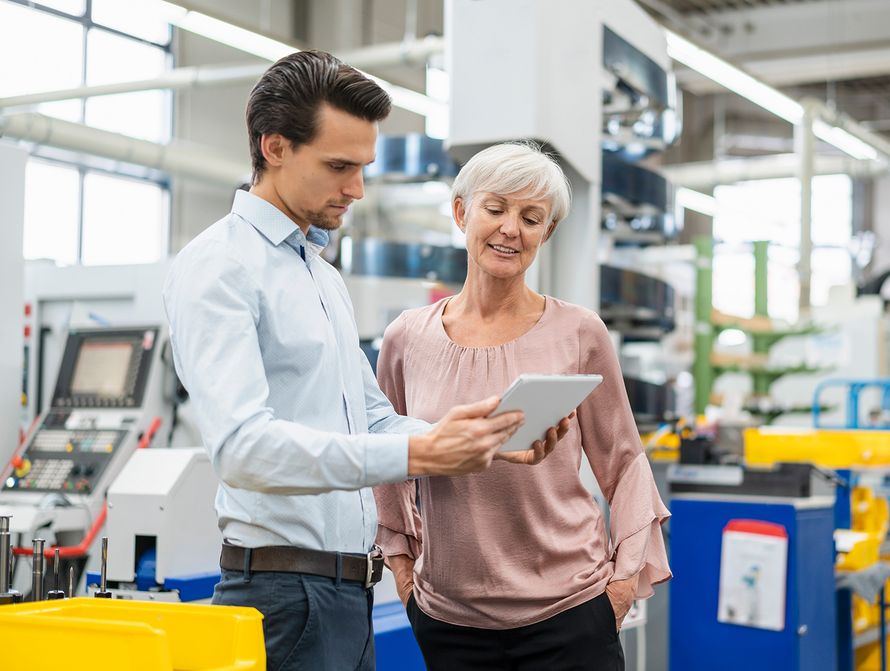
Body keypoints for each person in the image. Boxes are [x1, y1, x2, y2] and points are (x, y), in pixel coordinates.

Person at [163, 52, 569, 671]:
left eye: (362, 168)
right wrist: (420, 454)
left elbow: (374, 421)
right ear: (274, 147)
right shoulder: (219, 267)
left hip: (346, 594)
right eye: (338, 166)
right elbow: (243, 449)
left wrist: (477, 437)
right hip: (282, 598)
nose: (355, 188)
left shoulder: (319, 275)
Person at [374, 142, 672, 671]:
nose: (511, 228)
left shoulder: (578, 332)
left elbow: (624, 461)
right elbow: (386, 457)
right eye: (496, 209)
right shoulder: (405, 338)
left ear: (545, 234)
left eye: (531, 218)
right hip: (448, 620)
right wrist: (402, 568)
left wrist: (623, 585)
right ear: (462, 212)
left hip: (570, 613)